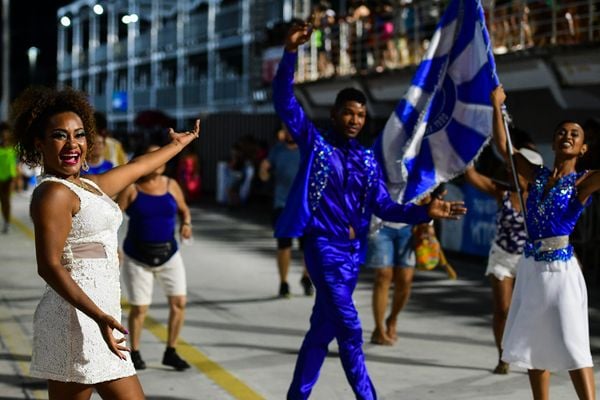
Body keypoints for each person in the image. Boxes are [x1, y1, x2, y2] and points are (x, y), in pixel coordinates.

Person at [274, 22, 467, 400]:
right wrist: (290, 53)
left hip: (352, 255)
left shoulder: (367, 160)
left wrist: (425, 211)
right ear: (334, 115)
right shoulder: (316, 146)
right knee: (351, 329)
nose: (354, 120)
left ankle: (296, 396)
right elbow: (285, 101)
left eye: (360, 116)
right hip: (323, 249)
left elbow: (384, 207)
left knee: (322, 331)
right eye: (348, 113)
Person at [10, 86, 199, 400]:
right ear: (39, 143)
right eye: (60, 135)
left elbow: (138, 167)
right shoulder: (53, 194)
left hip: (101, 317)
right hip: (78, 319)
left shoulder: (88, 186)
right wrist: (98, 317)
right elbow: (49, 266)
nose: (73, 144)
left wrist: (176, 146)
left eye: (80, 134)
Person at [491, 85, 599, 400]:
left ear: (583, 148)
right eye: (562, 132)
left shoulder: (583, 181)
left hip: (562, 271)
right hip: (531, 270)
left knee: (574, 343)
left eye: (575, 134)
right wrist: (496, 106)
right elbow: (504, 147)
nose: (567, 135)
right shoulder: (536, 176)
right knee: (532, 344)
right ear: (553, 142)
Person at [464, 143, 543, 375]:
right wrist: (466, 148)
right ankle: (503, 355)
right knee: (503, 309)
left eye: (518, 169)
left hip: (530, 260)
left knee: (529, 311)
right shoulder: (502, 191)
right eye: (512, 168)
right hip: (502, 256)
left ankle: (531, 356)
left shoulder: (540, 197)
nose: (512, 172)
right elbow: (472, 176)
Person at [117, 143, 193, 372]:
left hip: (169, 255)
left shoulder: (171, 185)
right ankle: (136, 352)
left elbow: (184, 209)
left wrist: (186, 223)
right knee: (140, 308)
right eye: (153, 157)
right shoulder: (132, 188)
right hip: (137, 258)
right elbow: (112, 218)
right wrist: (112, 247)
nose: (159, 161)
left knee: (179, 302)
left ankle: (171, 351)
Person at [259, 126, 313, 298]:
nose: (290, 132)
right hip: (282, 205)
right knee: (284, 246)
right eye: (287, 129)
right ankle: (284, 282)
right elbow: (265, 169)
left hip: (305, 207)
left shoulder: (307, 149)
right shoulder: (277, 150)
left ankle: (306, 278)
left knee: (309, 247)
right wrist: (263, 171)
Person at [0, 122, 17, 233]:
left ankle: (7, 222)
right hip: (0, 176)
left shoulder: (13, 146)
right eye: (3, 133)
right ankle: (5, 220)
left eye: (7, 133)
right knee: (3, 200)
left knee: (8, 200)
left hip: (10, 177)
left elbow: (16, 162)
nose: (5, 135)